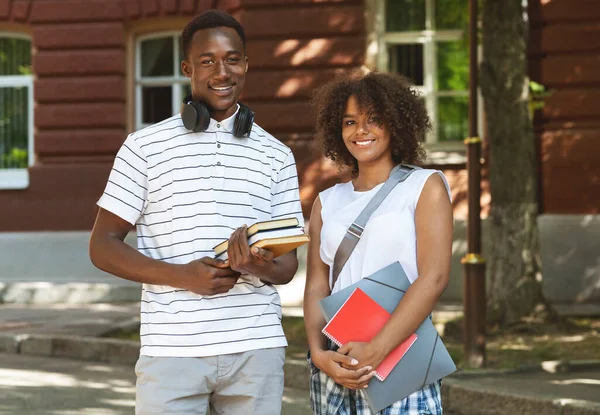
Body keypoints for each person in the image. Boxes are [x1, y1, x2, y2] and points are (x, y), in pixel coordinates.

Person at [89, 10, 303, 415]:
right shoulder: (143, 147)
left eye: (232, 59)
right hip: (172, 350)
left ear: (246, 63)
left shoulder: (277, 155)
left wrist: (254, 266)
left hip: (255, 350)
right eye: (207, 60)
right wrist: (182, 276)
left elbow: (288, 266)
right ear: (187, 68)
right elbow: (102, 246)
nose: (222, 72)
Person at [303, 71, 453, 414]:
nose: (361, 130)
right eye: (350, 121)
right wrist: (317, 353)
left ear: (395, 123)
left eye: (374, 119)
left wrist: (377, 349)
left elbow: (434, 278)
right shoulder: (327, 201)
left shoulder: (423, 185)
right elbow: (316, 285)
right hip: (335, 362)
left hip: (399, 357)